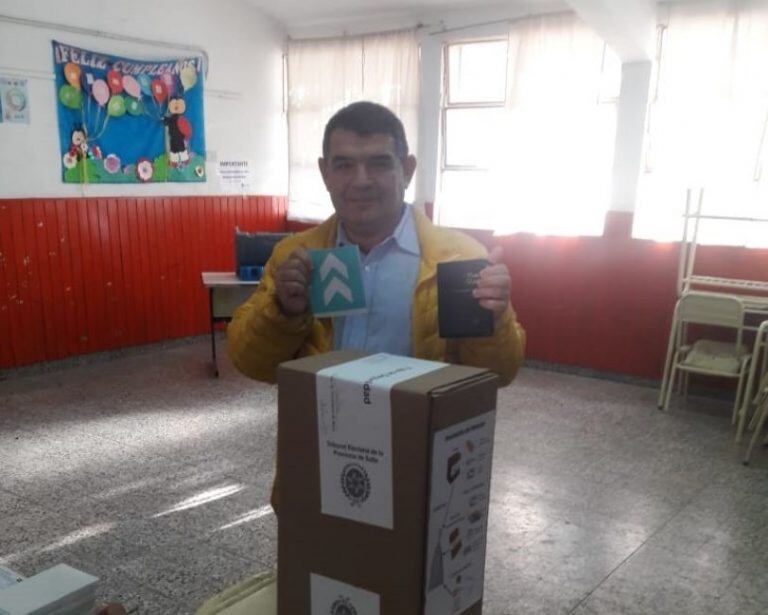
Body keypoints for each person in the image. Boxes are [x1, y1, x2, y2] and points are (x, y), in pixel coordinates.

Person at [227, 101, 525, 386]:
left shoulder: (461, 258)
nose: (361, 181)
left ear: (407, 170)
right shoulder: (294, 257)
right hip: (324, 428)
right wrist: (283, 311)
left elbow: (496, 375)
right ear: (325, 173)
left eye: (379, 163)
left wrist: (492, 321)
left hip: (417, 430)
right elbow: (251, 364)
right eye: (344, 165)